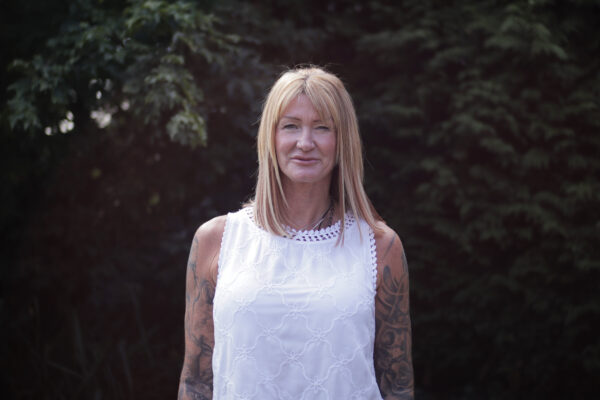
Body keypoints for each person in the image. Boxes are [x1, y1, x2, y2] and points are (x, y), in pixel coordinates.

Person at [178, 66, 414, 399]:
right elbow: (196, 381)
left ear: (342, 140)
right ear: (271, 137)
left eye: (321, 127)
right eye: (291, 126)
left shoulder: (380, 246)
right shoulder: (216, 240)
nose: (305, 143)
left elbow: (398, 385)